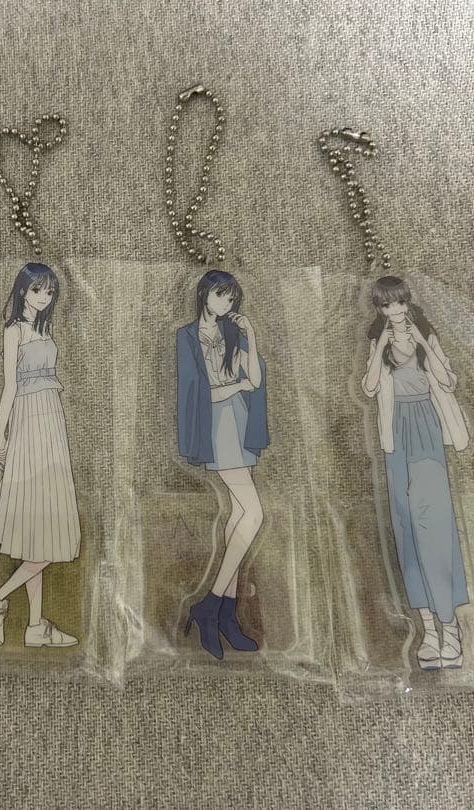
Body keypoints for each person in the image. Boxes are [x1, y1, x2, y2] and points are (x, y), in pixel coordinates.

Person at [361, 275, 470, 669]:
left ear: (408, 302)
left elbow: (448, 380)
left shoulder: (425, 333)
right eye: (386, 305)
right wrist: (380, 347)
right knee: (406, 528)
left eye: (399, 303)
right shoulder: (379, 339)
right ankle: (428, 630)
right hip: (396, 437)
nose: (394, 310)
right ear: (379, 309)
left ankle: (450, 627)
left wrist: (423, 342)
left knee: (434, 525)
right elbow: (369, 387)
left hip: (426, 427)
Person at [0, 263, 81, 649]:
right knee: (43, 525)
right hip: (29, 420)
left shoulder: (44, 330)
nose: (44, 297)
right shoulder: (15, 331)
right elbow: (9, 386)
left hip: (51, 418)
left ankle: (35, 625)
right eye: (38, 290)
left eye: (49, 292)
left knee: (41, 530)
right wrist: (0, 439)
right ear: (23, 291)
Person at [175, 269, 269, 660]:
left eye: (231, 299)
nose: (226, 304)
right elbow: (198, 394)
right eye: (220, 296)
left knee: (238, 515)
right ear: (203, 295)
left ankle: (226, 615)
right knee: (254, 513)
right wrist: (236, 386)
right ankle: (211, 603)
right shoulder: (187, 336)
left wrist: (251, 336)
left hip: (238, 424)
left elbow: (256, 379)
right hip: (216, 427)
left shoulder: (232, 335)